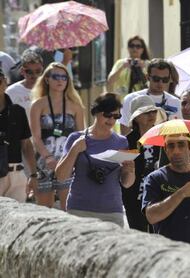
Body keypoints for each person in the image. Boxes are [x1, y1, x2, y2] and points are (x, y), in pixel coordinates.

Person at [55, 93, 135, 227]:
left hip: (112, 211)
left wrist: (130, 170)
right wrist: (74, 151)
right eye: (107, 115)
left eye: (116, 116)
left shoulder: (122, 142)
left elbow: (127, 183)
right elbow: (60, 177)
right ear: (96, 112)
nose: (111, 120)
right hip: (79, 210)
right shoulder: (75, 138)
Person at [30, 62, 84, 209]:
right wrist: (48, 157)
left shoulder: (75, 106)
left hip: (68, 161)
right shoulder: (38, 105)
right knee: (45, 210)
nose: (60, 80)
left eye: (64, 77)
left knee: (68, 208)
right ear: (47, 79)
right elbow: (35, 137)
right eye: (56, 76)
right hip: (44, 161)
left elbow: (81, 136)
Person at [122, 95, 165, 231]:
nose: (151, 115)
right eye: (146, 112)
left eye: (153, 111)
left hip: (158, 197)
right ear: (136, 117)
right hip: (133, 199)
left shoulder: (163, 139)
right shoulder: (127, 141)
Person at [0, 68, 38, 202]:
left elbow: (27, 145)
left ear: (5, 82)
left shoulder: (18, 111)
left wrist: (33, 175)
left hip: (17, 176)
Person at [119, 58, 182, 135]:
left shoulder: (176, 103)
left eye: (165, 79)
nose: (160, 83)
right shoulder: (131, 99)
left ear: (170, 79)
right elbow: (125, 133)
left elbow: (179, 132)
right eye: (156, 79)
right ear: (147, 77)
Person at [6, 50, 44, 118]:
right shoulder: (10, 92)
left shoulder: (50, 88)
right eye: (29, 71)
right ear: (22, 71)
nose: (34, 75)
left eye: (38, 71)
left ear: (42, 69)